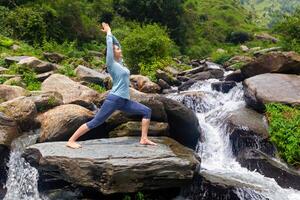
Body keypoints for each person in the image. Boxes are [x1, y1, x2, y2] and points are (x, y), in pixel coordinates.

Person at [66, 22, 157, 149]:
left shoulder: (120, 63)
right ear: (112, 53)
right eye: (117, 49)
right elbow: (110, 46)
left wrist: (111, 33)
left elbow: (117, 44)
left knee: (146, 111)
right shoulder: (111, 64)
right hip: (114, 99)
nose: (120, 49)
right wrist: (108, 32)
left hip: (124, 101)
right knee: (96, 122)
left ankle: (144, 138)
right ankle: (71, 140)